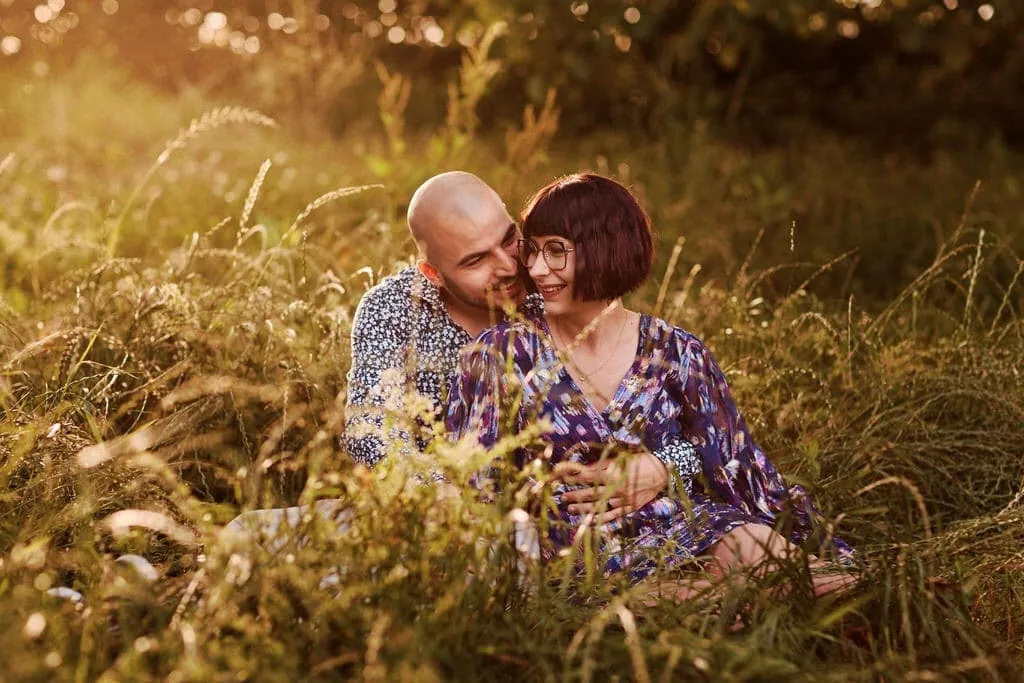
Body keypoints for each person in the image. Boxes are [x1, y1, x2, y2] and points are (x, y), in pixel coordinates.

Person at [445, 173, 856, 598]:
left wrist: (663, 465)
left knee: (752, 547)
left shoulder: (676, 352)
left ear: (605, 250)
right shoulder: (501, 353)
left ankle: (881, 593)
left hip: (685, 525)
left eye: (556, 252)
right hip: (577, 555)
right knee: (720, 597)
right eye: (533, 250)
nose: (535, 268)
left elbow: (730, 455)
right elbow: (474, 480)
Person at [229, 171, 698, 540]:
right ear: (433, 272)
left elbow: (663, 413)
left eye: (509, 238)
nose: (510, 266)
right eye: (475, 260)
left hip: (549, 523)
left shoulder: (553, 287)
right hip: (428, 511)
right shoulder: (394, 309)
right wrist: (440, 491)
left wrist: (663, 465)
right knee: (243, 537)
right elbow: (373, 431)